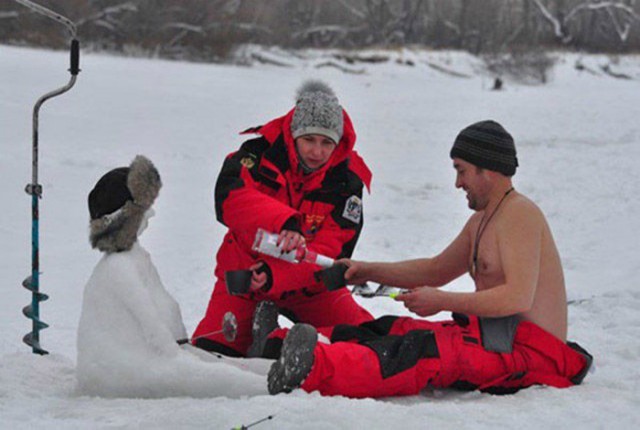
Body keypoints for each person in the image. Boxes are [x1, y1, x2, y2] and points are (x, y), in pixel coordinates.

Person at [267, 120, 593, 397]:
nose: (457, 183)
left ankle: (310, 367)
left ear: (486, 169)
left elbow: (516, 297)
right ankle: (277, 345)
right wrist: (365, 269)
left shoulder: (520, 214)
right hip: (496, 340)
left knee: (422, 352)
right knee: (394, 328)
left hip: (532, 355)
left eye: (461, 171)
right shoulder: (484, 220)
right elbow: (436, 270)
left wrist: (440, 300)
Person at [192, 80, 374, 357]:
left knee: (364, 342)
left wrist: (274, 274)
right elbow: (230, 201)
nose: (317, 152)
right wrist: (286, 222)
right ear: (292, 134)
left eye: (327, 143)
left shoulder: (347, 181)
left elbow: (333, 248)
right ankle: (264, 338)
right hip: (247, 278)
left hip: (309, 286)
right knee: (211, 353)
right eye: (309, 140)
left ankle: (279, 342)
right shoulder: (254, 156)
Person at [77, 156, 268, 398]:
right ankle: (270, 385)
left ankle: (273, 369)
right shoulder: (118, 268)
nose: (153, 213)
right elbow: (153, 330)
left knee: (219, 363)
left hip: (157, 354)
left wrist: (185, 350)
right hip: (123, 372)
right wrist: (180, 355)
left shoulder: (136, 258)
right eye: (144, 208)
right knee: (203, 376)